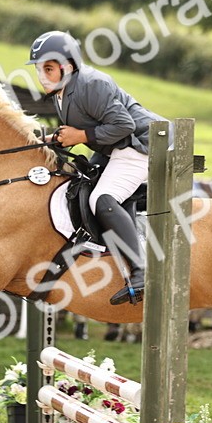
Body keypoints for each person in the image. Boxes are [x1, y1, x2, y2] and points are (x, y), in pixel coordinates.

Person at [27, 30, 168, 305]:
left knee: (101, 199)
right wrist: (54, 139)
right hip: (116, 146)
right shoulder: (62, 90)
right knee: (80, 183)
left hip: (142, 145)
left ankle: (141, 272)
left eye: (48, 68)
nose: (42, 76)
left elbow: (124, 125)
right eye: (39, 69)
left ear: (67, 67)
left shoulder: (91, 84)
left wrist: (79, 137)